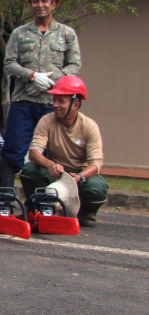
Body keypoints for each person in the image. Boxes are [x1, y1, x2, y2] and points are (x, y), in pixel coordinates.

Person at [1, 0, 81, 187]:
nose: (40, 5)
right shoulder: (19, 33)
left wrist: (51, 80)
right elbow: (9, 64)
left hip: (52, 105)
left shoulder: (66, 34)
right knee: (13, 152)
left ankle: (43, 201)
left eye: (45, 0)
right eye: (35, 1)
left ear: (54, 4)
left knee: (48, 156)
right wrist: (33, 76)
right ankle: (4, 200)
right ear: (30, 5)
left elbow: (74, 65)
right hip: (23, 102)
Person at [19, 76, 108, 227]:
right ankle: (38, 206)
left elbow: (96, 164)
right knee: (29, 170)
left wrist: (80, 176)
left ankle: (86, 212)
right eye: (54, 100)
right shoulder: (46, 121)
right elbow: (34, 152)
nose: (55, 105)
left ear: (76, 105)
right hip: (55, 173)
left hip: (79, 174)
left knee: (97, 187)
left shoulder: (90, 126)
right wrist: (50, 164)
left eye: (61, 101)